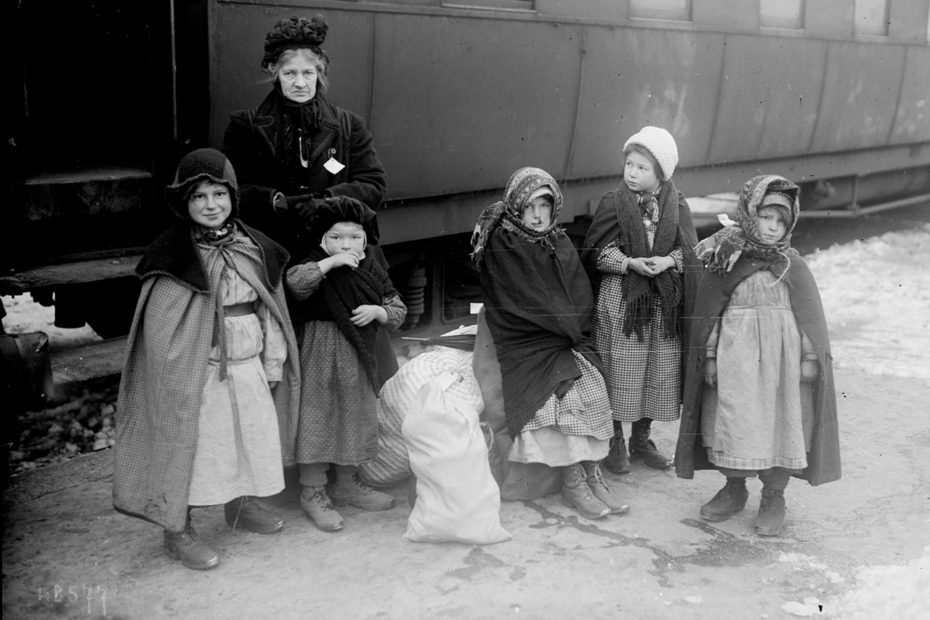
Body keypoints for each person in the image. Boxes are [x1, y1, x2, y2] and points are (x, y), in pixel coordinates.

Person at [113, 148, 301, 570]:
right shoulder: (173, 256)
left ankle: (241, 505)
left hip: (247, 365)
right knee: (197, 448)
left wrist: (273, 363)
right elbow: (164, 330)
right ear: (184, 202)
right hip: (199, 373)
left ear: (233, 196)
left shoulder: (252, 247)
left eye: (219, 194)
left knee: (246, 437)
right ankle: (177, 528)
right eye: (199, 196)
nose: (211, 205)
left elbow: (269, 310)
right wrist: (179, 378)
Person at [674, 174, 840, 536]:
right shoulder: (727, 258)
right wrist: (712, 356)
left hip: (783, 366)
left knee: (780, 423)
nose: (772, 228)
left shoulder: (791, 264)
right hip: (738, 363)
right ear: (750, 216)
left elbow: (809, 320)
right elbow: (711, 315)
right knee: (735, 421)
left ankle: (774, 495)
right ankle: (734, 488)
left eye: (780, 221)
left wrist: (810, 357)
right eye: (766, 218)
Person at [472, 167, 628, 520]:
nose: (538, 215)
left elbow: (578, 294)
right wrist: (563, 329)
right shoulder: (504, 243)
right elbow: (519, 303)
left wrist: (573, 332)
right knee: (564, 395)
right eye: (530, 207)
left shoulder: (558, 239)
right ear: (516, 208)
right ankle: (573, 481)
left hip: (561, 338)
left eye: (545, 205)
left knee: (593, 384)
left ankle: (592, 474)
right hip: (527, 343)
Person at [581, 126, 700, 473]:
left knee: (655, 372)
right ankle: (615, 438)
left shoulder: (676, 205)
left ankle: (641, 437)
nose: (631, 173)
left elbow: (689, 251)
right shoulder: (612, 203)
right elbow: (597, 253)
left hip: (662, 305)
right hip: (621, 304)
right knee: (620, 371)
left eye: (641, 167)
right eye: (629, 164)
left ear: (660, 172)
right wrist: (628, 263)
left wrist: (669, 261)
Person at [284, 196, 406, 532]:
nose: (345, 244)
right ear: (322, 239)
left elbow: (396, 307)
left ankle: (347, 484)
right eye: (336, 237)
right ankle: (312, 492)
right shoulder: (313, 263)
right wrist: (329, 264)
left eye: (354, 237)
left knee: (355, 414)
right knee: (317, 416)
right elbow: (295, 284)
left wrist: (379, 312)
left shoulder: (371, 269)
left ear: (365, 240)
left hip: (357, 353)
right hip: (318, 353)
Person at [223, 14, 387, 262]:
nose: (300, 83)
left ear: (319, 73)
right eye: (290, 73)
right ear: (273, 72)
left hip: (336, 250)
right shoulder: (245, 126)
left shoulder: (349, 125)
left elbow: (373, 185)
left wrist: (326, 201)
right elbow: (233, 189)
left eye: (308, 73)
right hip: (272, 251)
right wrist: (274, 201)